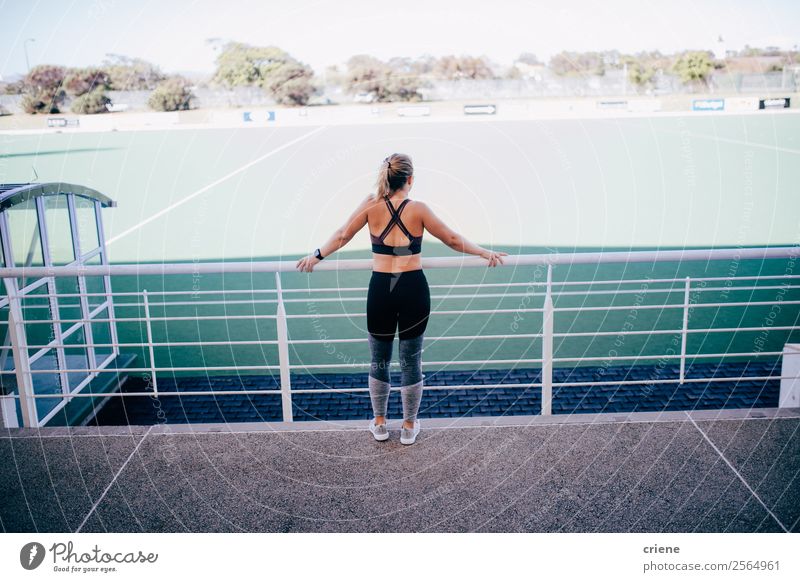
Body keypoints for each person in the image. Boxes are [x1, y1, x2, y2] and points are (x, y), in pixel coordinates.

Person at [296, 153, 507, 444]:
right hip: (413, 289)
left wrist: (316, 255)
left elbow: (343, 235)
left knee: (378, 360)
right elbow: (452, 239)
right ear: (409, 179)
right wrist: (484, 252)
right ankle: (408, 427)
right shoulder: (418, 209)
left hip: (381, 288)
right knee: (411, 361)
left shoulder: (370, 205)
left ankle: (380, 424)